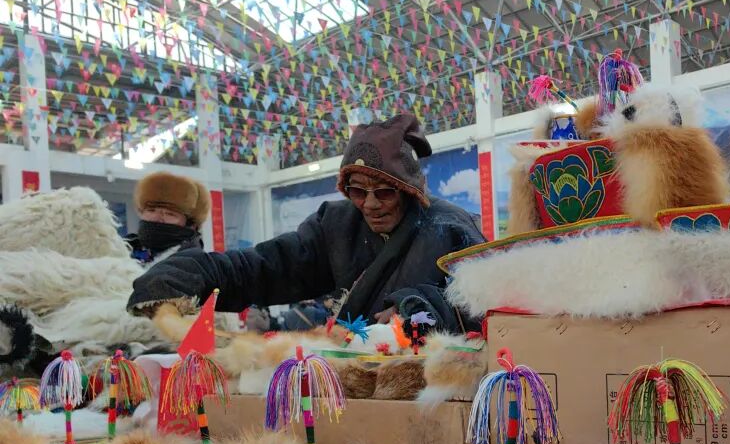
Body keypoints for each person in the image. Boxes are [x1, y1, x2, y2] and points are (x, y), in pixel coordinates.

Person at [127, 114, 486, 332]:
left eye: (384, 192)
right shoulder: (337, 225)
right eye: (358, 191)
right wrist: (192, 274)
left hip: (437, 387)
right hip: (355, 383)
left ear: (409, 191)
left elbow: (488, 307)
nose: (370, 204)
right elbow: (265, 267)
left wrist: (419, 307)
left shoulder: (451, 227)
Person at [126, 172, 208, 265]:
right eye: (151, 210)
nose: (157, 218)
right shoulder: (121, 250)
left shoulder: (198, 266)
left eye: (170, 214)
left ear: (191, 225)